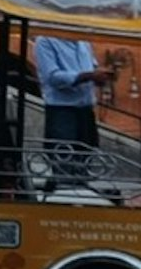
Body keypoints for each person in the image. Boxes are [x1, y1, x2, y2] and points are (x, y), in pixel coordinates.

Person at [33, 35, 113, 181]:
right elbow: (53, 77)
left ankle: (82, 186)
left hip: (86, 110)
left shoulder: (84, 42)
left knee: (86, 156)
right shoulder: (45, 40)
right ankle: (63, 188)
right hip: (62, 110)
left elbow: (92, 67)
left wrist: (100, 77)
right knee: (63, 157)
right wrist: (89, 76)